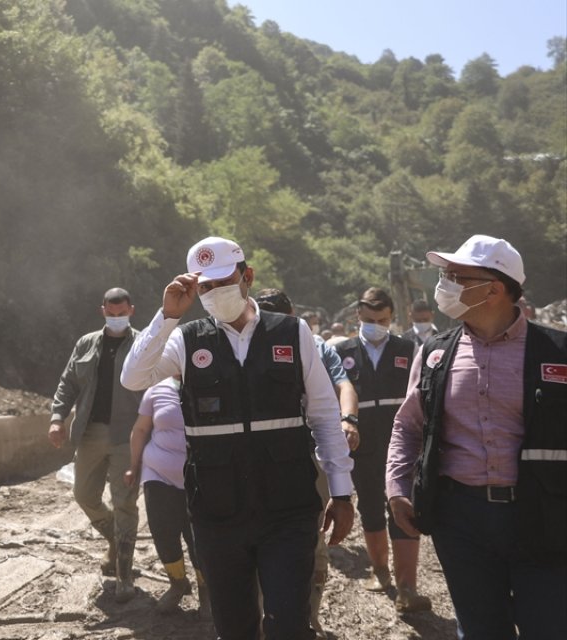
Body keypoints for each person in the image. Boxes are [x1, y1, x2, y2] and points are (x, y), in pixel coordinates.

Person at [121, 237, 355, 640]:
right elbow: (133, 378)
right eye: (204, 286)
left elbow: (323, 415)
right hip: (218, 514)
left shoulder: (293, 333)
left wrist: (342, 490)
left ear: (247, 276)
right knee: (234, 627)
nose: (213, 293)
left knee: (288, 624)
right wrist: (167, 315)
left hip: (288, 510)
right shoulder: (185, 339)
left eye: (222, 282)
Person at [386, 234, 567, 638]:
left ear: (495, 289)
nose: (444, 284)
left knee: (550, 627)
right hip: (463, 521)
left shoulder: (557, 351)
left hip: (544, 515)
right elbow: (408, 424)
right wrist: (398, 486)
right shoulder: (436, 353)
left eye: (455, 276)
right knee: (482, 630)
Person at [256, 288, 360, 636]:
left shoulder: (315, 346)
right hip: (260, 459)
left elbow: (344, 385)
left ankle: (309, 616)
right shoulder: (242, 346)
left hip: (310, 458)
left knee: (312, 541)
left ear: (293, 314)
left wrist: (349, 420)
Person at [335, 288, 431, 613]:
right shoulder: (342, 352)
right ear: (358, 317)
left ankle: (407, 588)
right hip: (361, 448)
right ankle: (381, 572)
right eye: (370, 319)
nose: (377, 325)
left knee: (403, 509)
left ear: (392, 317)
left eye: (383, 319)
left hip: (401, 447)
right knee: (372, 510)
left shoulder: (408, 348)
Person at [49, 288, 145, 602]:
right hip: (89, 432)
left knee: (125, 502)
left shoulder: (144, 343)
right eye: (111, 313)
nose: (116, 318)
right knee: (84, 494)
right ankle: (116, 542)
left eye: (122, 313)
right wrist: (57, 417)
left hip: (128, 434)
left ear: (131, 310)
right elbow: (68, 382)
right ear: (102, 310)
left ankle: (125, 575)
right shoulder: (86, 343)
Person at [123, 377, 209, 615]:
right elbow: (140, 429)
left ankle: (207, 589)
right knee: (163, 532)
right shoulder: (156, 391)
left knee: (198, 537)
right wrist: (133, 465)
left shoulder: (211, 384)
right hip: (157, 475)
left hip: (199, 478)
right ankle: (177, 583)